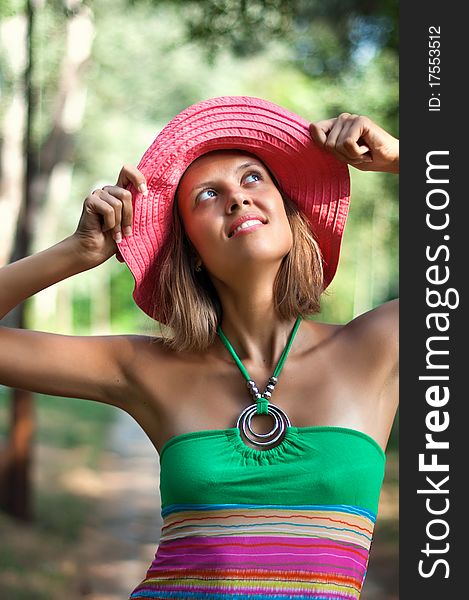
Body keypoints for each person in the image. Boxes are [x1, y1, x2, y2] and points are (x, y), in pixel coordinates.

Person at [0, 96, 399, 599]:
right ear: (189, 251)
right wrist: (73, 254)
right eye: (208, 195)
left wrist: (405, 159)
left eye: (253, 178)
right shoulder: (145, 367)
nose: (236, 198)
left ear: (287, 211)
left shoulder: (378, 347)